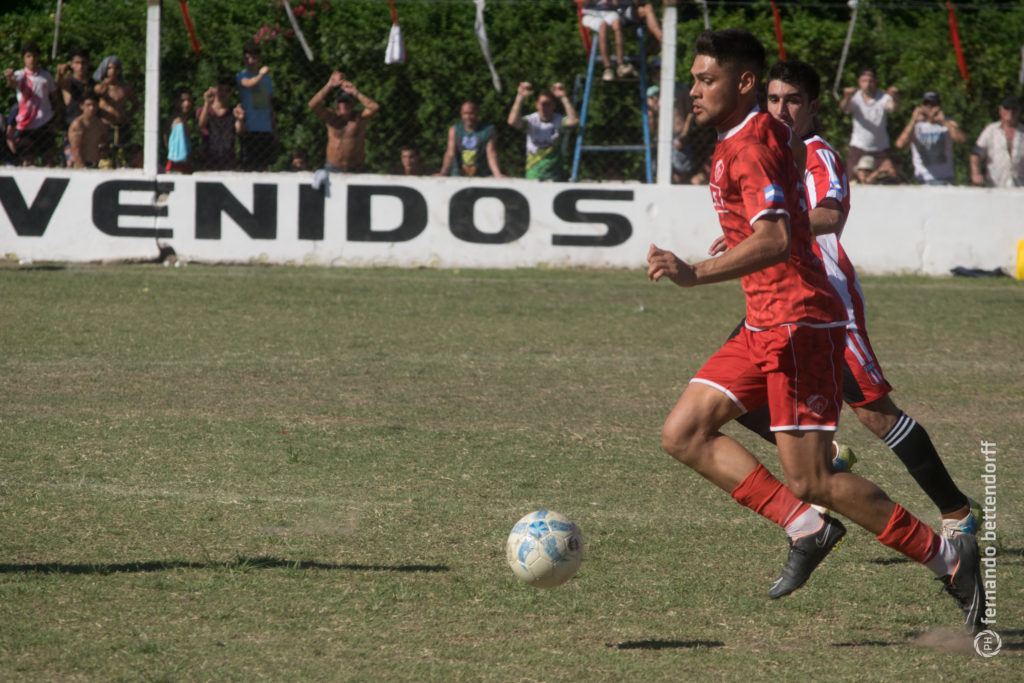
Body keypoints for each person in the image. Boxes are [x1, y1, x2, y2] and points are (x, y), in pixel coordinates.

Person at [646, 28, 983, 632]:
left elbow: (776, 238)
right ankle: (806, 528)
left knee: (813, 478)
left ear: (742, 82)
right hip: (762, 321)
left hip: (798, 324)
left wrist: (695, 272)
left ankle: (948, 559)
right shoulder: (757, 133)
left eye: (705, 80)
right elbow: (782, 200)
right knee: (683, 433)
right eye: (693, 79)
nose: (692, 90)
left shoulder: (750, 146)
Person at [715, 59, 979, 543]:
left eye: (793, 101)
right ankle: (827, 455)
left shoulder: (819, 154)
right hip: (779, 303)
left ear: (813, 107)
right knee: (728, 396)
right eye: (773, 100)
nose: (781, 110)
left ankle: (956, 511)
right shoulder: (765, 152)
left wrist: (771, 230)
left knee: (876, 413)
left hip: (826, 302)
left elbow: (830, 215)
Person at [308, 70, 380, 173]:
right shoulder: (331, 117)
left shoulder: (359, 118)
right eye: (341, 101)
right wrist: (329, 86)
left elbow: (374, 107)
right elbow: (313, 104)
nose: (344, 105)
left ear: (353, 104)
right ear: (336, 103)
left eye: (347, 102)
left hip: (356, 169)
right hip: (333, 168)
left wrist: (355, 92)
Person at [506, 81, 579, 180]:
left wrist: (563, 97)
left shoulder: (558, 120)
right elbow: (512, 121)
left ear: (553, 106)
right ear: (537, 105)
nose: (544, 107)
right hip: (533, 174)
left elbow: (574, 121)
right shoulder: (531, 120)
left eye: (548, 104)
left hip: (555, 176)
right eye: (542, 104)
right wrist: (520, 97)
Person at [839, 69, 900, 184]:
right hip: (858, 147)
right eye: (864, 81)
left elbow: (893, 107)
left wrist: (895, 97)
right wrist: (846, 97)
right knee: (851, 181)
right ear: (859, 82)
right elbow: (845, 108)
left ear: (875, 82)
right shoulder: (855, 98)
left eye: (870, 81)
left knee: (890, 178)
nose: (867, 84)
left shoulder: (883, 98)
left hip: (881, 149)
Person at [4, 40, 58, 166]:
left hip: (44, 121)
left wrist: (57, 117)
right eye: (28, 56)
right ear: (24, 58)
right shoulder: (20, 75)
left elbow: (55, 97)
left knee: (48, 158)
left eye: (34, 56)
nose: (32, 59)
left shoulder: (46, 76)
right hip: (26, 124)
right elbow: (13, 83)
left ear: (38, 57)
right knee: (27, 159)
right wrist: (9, 77)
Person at [894, 91, 966, 185]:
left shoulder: (948, 123)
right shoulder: (917, 126)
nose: (929, 107)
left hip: (945, 178)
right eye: (926, 104)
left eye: (933, 104)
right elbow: (900, 144)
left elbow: (961, 139)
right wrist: (913, 121)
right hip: (923, 179)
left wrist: (943, 122)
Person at [437, 101, 504, 178]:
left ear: (477, 113)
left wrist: (497, 174)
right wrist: (443, 173)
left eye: (471, 113)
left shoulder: (488, 130)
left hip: (482, 176)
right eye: (465, 113)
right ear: (461, 114)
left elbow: (491, 153)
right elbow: (450, 153)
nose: (468, 117)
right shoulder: (454, 130)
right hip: (458, 176)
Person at [236, 42, 276, 170]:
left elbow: (269, 104)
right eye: (247, 58)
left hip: (265, 128)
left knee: (264, 166)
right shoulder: (241, 76)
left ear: (259, 59)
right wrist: (261, 75)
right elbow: (248, 84)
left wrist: (274, 127)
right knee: (249, 166)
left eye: (253, 58)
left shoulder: (266, 79)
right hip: (249, 129)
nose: (250, 61)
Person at [970, 95, 1024, 188]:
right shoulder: (991, 130)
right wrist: (976, 173)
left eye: (1014, 109)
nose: (1010, 112)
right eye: (1007, 108)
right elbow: (976, 154)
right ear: (1000, 111)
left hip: (1020, 187)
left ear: (1019, 111)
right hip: (995, 187)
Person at [92, 55, 136, 167]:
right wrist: (106, 83)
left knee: (122, 155)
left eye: (116, 68)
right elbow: (97, 95)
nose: (113, 71)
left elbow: (135, 103)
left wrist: (129, 115)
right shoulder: (100, 87)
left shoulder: (125, 88)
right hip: (106, 126)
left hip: (122, 127)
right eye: (109, 68)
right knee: (106, 155)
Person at [580, 1, 637, 82]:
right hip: (590, 14)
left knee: (617, 24)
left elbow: (615, 3)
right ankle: (608, 68)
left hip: (609, 12)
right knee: (602, 26)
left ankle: (621, 64)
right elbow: (583, 3)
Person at [197, 76, 246, 170]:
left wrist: (240, 119)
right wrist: (207, 102)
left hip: (228, 159)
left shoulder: (233, 112)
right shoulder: (204, 110)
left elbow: (240, 131)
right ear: (214, 90)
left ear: (230, 93)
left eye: (226, 90)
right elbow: (201, 125)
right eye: (220, 90)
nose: (223, 93)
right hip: (208, 158)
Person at [56, 49, 93, 167]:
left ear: (88, 64)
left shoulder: (92, 84)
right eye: (77, 63)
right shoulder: (69, 82)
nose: (80, 66)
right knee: (71, 164)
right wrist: (59, 73)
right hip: (73, 131)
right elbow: (60, 83)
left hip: (90, 132)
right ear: (72, 65)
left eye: (83, 63)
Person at [67, 90, 109, 168]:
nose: (91, 108)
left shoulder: (99, 123)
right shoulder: (78, 124)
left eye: (94, 105)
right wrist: (82, 168)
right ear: (81, 106)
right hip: (81, 164)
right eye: (88, 105)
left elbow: (105, 142)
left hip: (96, 163)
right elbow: (75, 149)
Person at [164, 86, 195, 174]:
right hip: (177, 166)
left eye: (189, 100)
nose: (187, 103)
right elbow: (178, 153)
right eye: (182, 101)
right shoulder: (178, 122)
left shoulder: (183, 120)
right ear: (175, 102)